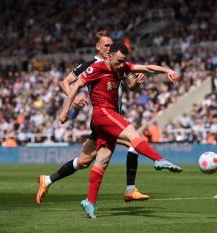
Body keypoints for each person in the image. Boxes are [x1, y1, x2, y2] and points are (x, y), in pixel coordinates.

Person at [59, 42, 183, 218]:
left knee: (102, 160)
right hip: (102, 113)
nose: (121, 65)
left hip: (108, 115)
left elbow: (147, 67)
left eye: (123, 61)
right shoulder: (97, 68)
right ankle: (159, 160)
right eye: (118, 61)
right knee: (132, 133)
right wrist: (65, 110)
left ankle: (90, 202)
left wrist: (167, 71)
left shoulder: (122, 66)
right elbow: (76, 86)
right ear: (109, 57)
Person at [36, 30, 149, 205]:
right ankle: (130, 190)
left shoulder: (117, 63)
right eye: (106, 45)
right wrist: (73, 100)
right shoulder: (90, 65)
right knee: (135, 143)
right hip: (104, 118)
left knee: (83, 161)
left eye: (111, 45)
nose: (110, 48)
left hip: (113, 117)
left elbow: (131, 86)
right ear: (98, 47)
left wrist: (138, 82)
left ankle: (47, 180)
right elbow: (65, 82)